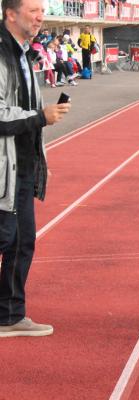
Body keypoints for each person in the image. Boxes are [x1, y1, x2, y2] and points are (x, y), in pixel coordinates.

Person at [0, 0, 71, 338]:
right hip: (4, 169)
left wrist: (40, 149)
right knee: (6, 238)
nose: (41, 16)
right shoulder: (1, 55)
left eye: (42, 10)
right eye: (33, 11)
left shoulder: (26, 54)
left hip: (24, 165)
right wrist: (41, 116)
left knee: (23, 242)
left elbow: (26, 110)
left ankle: (11, 315)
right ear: (10, 14)